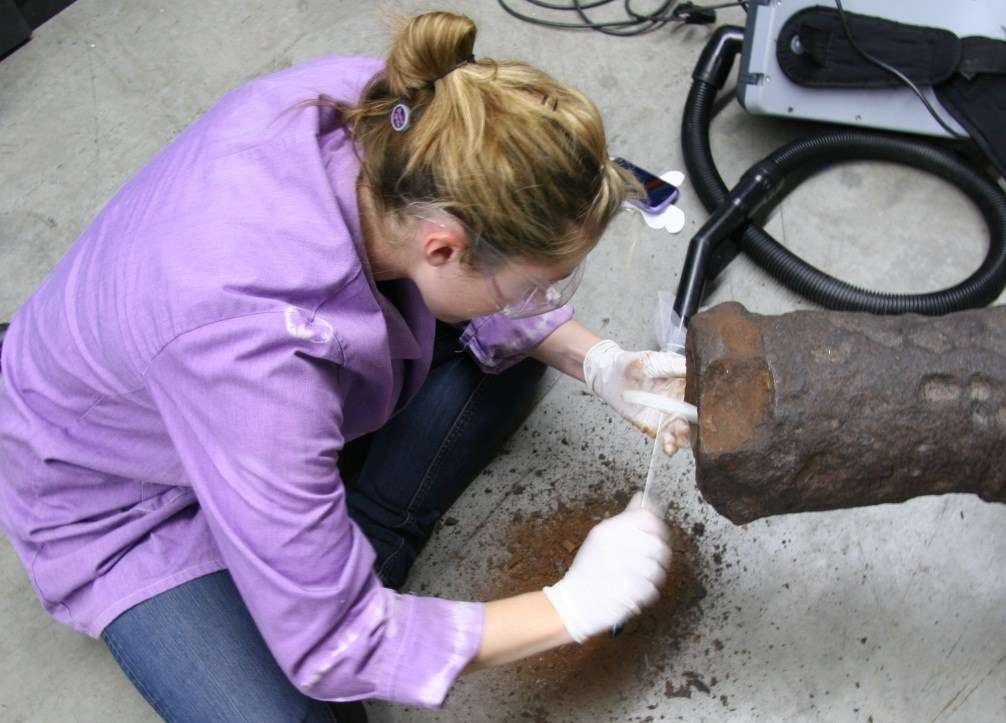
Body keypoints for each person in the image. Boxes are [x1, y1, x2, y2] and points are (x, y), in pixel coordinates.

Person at [0, 11, 690, 722]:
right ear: (444, 247)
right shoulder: (252, 357)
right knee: (300, 713)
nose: (546, 300)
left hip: (224, 396)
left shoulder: (406, 112)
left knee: (513, 353)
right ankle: (338, 554)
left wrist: (599, 360)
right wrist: (568, 607)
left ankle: (336, 545)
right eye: (537, 282)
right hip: (123, 494)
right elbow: (336, 646)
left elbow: (505, 307)